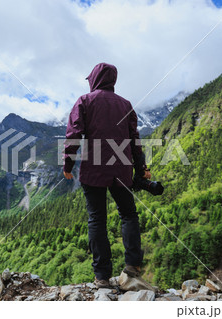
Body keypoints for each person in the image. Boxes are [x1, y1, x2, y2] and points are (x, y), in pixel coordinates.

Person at [63, 62, 151, 288]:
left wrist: (68, 164)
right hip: (122, 168)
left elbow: (73, 134)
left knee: (96, 219)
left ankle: (102, 276)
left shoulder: (84, 101)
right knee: (129, 215)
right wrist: (142, 169)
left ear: (94, 78)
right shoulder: (126, 105)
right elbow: (135, 141)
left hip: (93, 168)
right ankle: (132, 265)